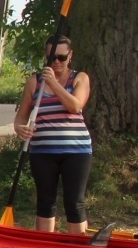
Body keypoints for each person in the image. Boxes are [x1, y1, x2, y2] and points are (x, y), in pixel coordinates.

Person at [14, 35, 93, 234]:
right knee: (45, 201)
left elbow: (75, 106)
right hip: (42, 150)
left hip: (76, 151)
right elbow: (21, 117)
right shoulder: (35, 81)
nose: (56, 62)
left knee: (74, 202)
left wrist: (55, 84)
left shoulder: (80, 78)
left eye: (61, 57)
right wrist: (20, 128)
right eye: (51, 58)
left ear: (70, 56)